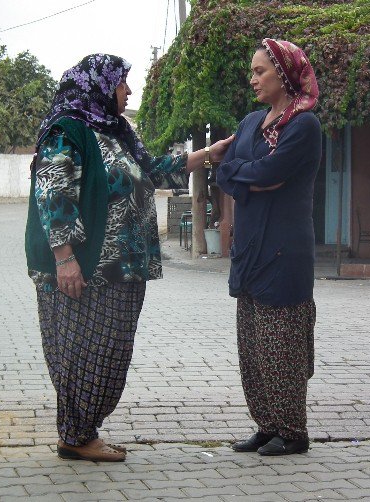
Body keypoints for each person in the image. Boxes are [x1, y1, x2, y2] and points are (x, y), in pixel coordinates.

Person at [25, 54, 233, 462]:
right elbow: (52, 189)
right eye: (123, 84)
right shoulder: (67, 131)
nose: (129, 91)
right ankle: (77, 436)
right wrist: (65, 257)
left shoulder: (116, 133)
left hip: (122, 268)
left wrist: (209, 154)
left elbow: (152, 170)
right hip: (85, 269)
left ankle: (80, 432)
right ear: (101, 86)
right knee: (80, 354)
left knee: (109, 354)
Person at [216, 39, 321, 456]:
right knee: (253, 344)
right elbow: (228, 172)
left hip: (284, 248)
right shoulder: (251, 122)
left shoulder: (303, 125)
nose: (253, 78)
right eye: (253, 71)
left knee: (282, 342)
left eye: (261, 71)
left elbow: (274, 171)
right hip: (250, 246)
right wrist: (248, 173)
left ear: (284, 73)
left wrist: (245, 172)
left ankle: (293, 431)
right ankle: (266, 424)